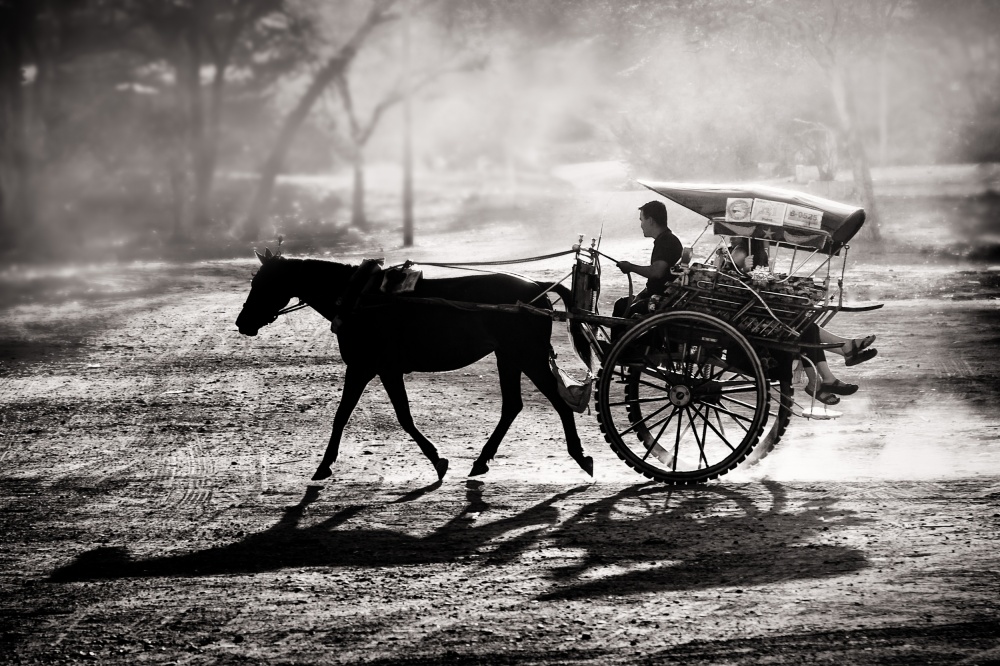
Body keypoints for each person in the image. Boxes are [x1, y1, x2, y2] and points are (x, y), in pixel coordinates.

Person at [724, 238, 876, 404]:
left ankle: (827, 373)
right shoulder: (740, 251)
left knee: (804, 325)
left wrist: (765, 277)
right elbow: (732, 281)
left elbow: (760, 279)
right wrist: (746, 269)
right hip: (749, 317)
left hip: (759, 311)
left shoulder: (755, 249)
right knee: (804, 327)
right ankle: (835, 362)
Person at [613, 200, 683, 317]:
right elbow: (656, 282)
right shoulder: (665, 239)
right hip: (656, 296)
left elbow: (657, 272)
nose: (641, 225)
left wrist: (630, 267)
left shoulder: (666, 241)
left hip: (661, 302)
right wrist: (640, 296)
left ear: (650, 220)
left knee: (625, 310)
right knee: (621, 304)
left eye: (641, 220)